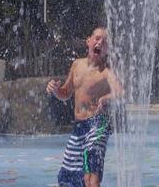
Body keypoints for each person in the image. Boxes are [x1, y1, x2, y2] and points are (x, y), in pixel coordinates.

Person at [46, 27, 123, 187]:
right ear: (88, 41)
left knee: (90, 175)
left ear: (107, 49)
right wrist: (55, 90)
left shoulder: (107, 72)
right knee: (68, 179)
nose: (100, 42)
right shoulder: (77, 65)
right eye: (97, 38)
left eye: (105, 42)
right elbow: (66, 92)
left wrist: (106, 98)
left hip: (98, 123)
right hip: (78, 128)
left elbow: (120, 93)